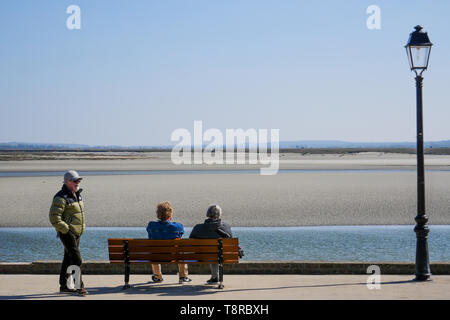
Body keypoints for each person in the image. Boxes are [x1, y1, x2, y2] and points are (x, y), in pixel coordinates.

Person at [49, 170, 88, 296]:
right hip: (67, 233)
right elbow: (54, 217)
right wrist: (66, 229)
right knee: (77, 259)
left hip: (77, 233)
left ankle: (64, 285)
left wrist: (79, 230)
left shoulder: (77, 194)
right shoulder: (61, 197)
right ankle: (79, 287)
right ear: (67, 182)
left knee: (68, 259)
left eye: (79, 180)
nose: (78, 182)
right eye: (75, 180)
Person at [146, 201, 192, 284]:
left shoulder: (151, 225)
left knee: (153, 251)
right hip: (173, 256)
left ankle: (157, 276)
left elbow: (150, 235)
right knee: (181, 250)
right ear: (170, 214)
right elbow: (180, 235)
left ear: (158, 214)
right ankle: (183, 276)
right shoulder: (178, 226)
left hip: (156, 256)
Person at [189, 204, 233, 284]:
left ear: (208, 214)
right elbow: (230, 241)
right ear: (219, 214)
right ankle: (215, 277)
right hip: (222, 256)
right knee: (217, 252)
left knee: (211, 252)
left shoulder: (198, 227)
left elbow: (190, 243)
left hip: (202, 256)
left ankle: (214, 277)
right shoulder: (226, 226)